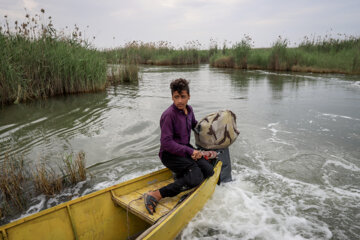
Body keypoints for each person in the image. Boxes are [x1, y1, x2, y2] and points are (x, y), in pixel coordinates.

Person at [144, 78, 217, 215]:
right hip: (169, 155)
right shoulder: (168, 115)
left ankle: (181, 175)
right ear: (172, 97)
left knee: (208, 171)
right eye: (176, 97)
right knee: (196, 177)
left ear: (189, 96)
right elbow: (166, 143)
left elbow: (195, 124)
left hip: (184, 151)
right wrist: (190, 151)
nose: (179, 101)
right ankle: (156, 194)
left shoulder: (189, 110)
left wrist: (211, 129)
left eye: (183, 97)